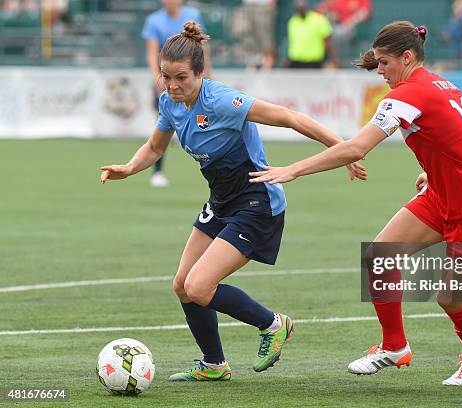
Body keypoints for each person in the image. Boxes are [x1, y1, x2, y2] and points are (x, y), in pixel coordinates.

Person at [250, 21, 462, 386]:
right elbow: (457, 140)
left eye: (385, 63)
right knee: (380, 255)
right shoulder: (439, 83)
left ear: (407, 57)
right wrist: (435, 173)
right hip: (445, 194)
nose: (379, 72)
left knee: (450, 298)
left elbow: (357, 147)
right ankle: (394, 346)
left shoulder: (408, 93)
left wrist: (294, 169)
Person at [100, 21, 366, 381]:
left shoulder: (223, 100)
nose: (173, 85)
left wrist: (345, 150)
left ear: (201, 72)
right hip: (222, 201)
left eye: (181, 77)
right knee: (182, 285)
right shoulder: (169, 102)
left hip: (257, 201)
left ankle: (273, 324)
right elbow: (154, 147)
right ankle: (213, 364)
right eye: (166, 77)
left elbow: (289, 118)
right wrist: (130, 168)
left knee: (199, 287)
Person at [142, 0, 212, 188]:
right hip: (165, 81)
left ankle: (212, 168)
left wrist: (208, 76)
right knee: (161, 126)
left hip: (188, 81)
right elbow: (151, 53)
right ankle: (157, 171)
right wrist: (159, 79)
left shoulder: (193, 15)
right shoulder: (154, 20)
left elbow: (202, 49)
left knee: (203, 122)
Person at [286, 0, 339, 69]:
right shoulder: (292, 21)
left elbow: (328, 42)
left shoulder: (319, 19)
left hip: (314, 62)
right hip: (295, 61)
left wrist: (334, 59)